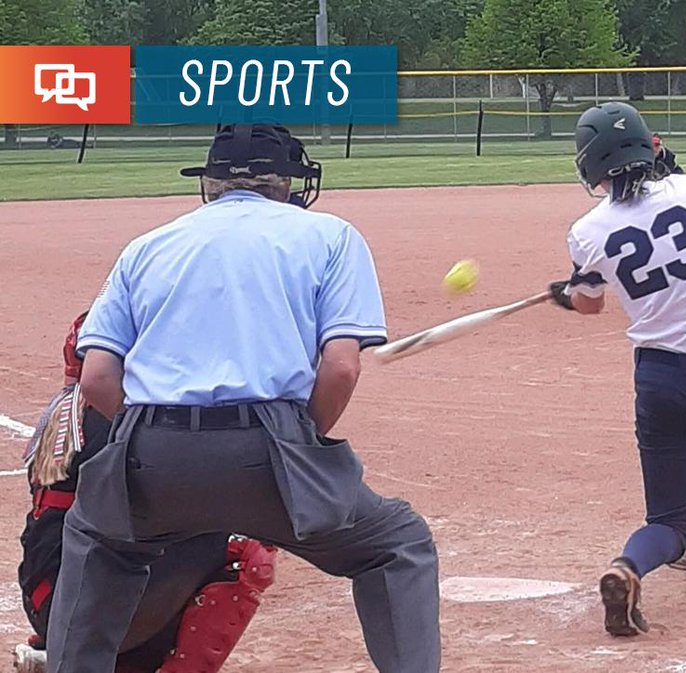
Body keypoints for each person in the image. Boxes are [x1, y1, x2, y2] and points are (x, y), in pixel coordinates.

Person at [45, 124, 441, 673]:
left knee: (99, 541)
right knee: (396, 544)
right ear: (287, 184)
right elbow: (342, 368)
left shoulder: (148, 245)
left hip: (151, 452)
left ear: (210, 184)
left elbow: (96, 381)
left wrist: (150, 438)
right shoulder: (329, 235)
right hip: (270, 447)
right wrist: (300, 443)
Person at [548, 102, 686, 636]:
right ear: (653, 145)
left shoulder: (587, 233)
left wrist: (568, 294)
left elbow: (591, 304)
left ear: (590, 168)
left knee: (669, 520)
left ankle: (629, 566)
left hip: (665, 382)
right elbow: (668, 175)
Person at [15, 312, 276, 673]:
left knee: (148, 534)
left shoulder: (68, 411)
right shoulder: (121, 420)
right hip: (80, 606)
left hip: (49, 598)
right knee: (243, 543)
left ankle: (94, 656)